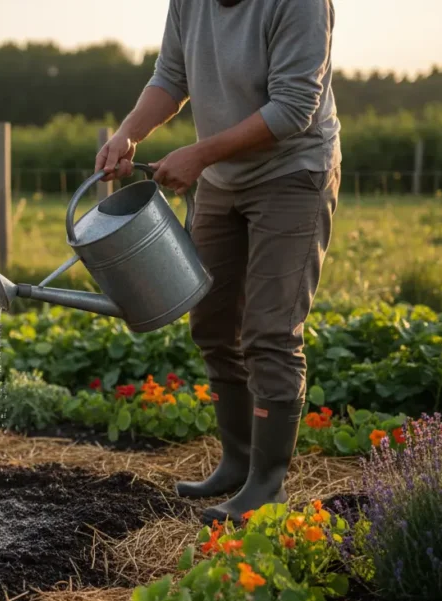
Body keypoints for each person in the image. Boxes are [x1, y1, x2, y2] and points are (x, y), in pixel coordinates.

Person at [96, 0, 341, 525]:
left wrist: (200, 154)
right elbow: (172, 75)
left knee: (271, 331)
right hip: (224, 181)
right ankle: (237, 461)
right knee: (211, 321)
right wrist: (129, 133)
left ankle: (266, 483)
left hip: (293, 173)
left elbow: (294, 107)